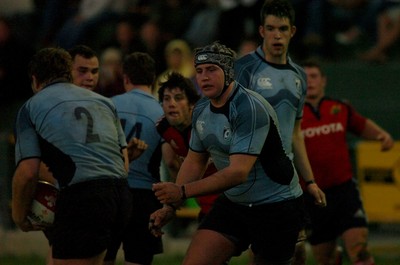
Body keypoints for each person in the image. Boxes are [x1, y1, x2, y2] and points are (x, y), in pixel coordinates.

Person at [150, 41, 306, 265]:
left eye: (212, 70)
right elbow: (195, 161)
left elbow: (237, 173)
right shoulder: (201, 109)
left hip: (276, 206)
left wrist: (182, 192)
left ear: (229, 72)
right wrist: (169, 207)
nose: (204, 77)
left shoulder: (249, 108)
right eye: (200, 71)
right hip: (235, 204)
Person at [12, 47, 133, 265]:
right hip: (121, 196)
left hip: (84, 198)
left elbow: (27, 172)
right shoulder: (105, 102)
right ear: (69, 73)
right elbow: (124, 165)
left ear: (35, 80)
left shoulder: (31, 107)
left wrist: (19, 217)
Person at [234, 1, 326, 264]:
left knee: (297, 252)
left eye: (282, 29)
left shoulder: (299, 75)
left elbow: (296, 134)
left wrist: (310, 181)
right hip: (252, 179)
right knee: (261, 253)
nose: (277, 35)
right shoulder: (245, 70)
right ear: (261, 31)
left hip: (286, 182)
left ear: (293, 31)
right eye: (271, 28)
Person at [301, 60, 394, 265]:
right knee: (324, 258)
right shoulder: (292, 115)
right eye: (305, 77)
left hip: (344, 192)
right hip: (313, 196)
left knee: (360, 252)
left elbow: (360, 124)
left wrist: (382, 135)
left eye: (314, 76)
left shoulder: (339, 107)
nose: (310, 81)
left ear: (323, 80)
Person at [104, 52, 164, 265]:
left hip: (110, 191)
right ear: (153, 79)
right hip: (145, 195)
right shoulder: (162, 112)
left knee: (102, 258)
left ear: (125, 77)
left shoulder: (107, 105)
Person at [156, 72, 219, 220]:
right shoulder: (163, 126)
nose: (171, 103)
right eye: (166, 99)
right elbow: (171, 163)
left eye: (178, 98)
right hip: (204, 203)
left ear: (192, 104)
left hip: (228, 200)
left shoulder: (209, 124)